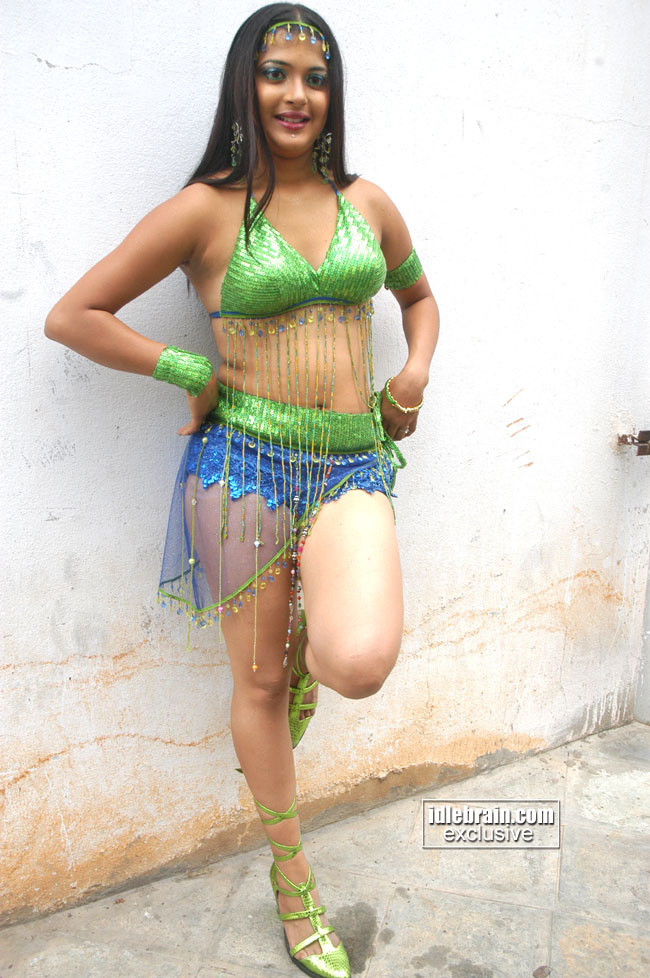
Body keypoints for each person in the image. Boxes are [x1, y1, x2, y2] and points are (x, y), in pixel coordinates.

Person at [44, 4, 440, 976]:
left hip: (349, 462)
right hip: (241, 473)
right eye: (275, 73)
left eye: (314, 76)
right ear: (244, 85)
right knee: (256, 684)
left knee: (356, 661)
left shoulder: (369, 203)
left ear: (332, 92)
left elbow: (418, 298)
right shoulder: (204, 210)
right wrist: (187, 370)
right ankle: (292, 881)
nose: (296, 94)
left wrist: (412, 374)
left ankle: (305, 656)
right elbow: (75, 315)